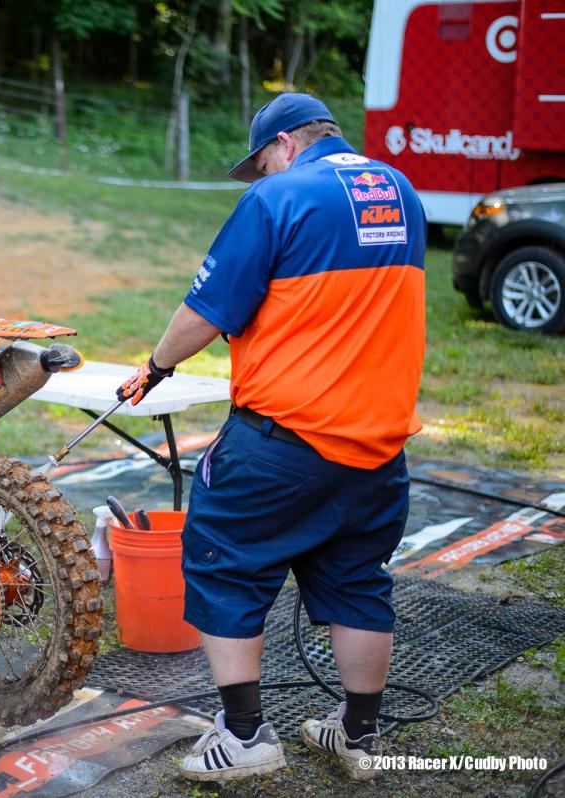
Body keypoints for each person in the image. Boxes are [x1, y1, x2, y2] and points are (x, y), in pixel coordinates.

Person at [116, 92, 425, 782]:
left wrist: (158, 365)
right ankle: (358, 737)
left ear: (284, 144)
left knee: (221, 562)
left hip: (286, 439)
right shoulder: (400, 191)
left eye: (260, 163)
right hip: (379, 444)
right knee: (357, 582)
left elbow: (207, 309)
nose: (260, 177)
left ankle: (247, 735)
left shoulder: (278, 197)